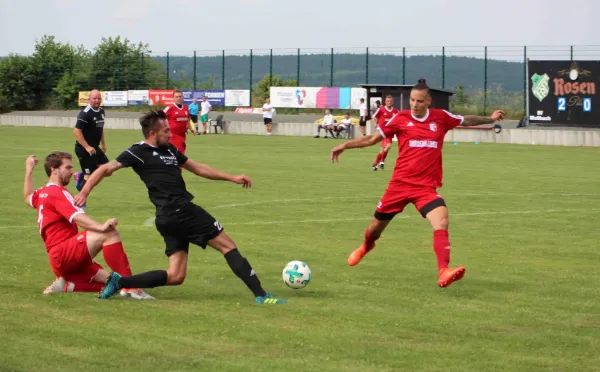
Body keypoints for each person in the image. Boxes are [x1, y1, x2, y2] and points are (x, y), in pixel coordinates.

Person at [74, 109, 287, 304]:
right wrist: (84, 192)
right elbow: (104, 169)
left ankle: (118, 282)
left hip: (168, 218)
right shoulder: (137, 151)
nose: (170, 132)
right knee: (228, 246)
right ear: (152, 133)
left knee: (176, 276)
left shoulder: (170, 150)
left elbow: (197, 168)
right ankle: (262, 295)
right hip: (181, 211)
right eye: (166, 130)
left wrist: (231, 177)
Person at [330, 78, 505, 288]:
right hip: (399, 186)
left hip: (425, 189)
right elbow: (373, 139)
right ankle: (367, 246)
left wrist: (490, 118)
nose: (414, 104)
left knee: (441, 221)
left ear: (428, 101)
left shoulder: (441, 118)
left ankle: (443, 271)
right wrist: (345, 145)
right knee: (375, 228)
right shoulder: (401, 119)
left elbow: (465, 119)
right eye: (412, 100)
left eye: (419, 101)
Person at [24, 151, 153, 299]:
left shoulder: (42, 192)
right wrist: (101, 227)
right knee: (109, 234)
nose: (72, 172)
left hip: (63, 259)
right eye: (68, 167)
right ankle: (131, 288)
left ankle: (67, 286)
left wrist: (29, 171)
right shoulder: (57, 192)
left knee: (114, 282)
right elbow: (78, 217)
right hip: (64, 254)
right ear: (54, 169)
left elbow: (27, 197)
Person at [73, 89, 108, 193]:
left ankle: (80, 178)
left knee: (107, 170)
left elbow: (100, 129)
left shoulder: (101, 111)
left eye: (98, 98)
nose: (97, 100)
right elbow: (76, 131)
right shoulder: (85, 113)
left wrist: (103, 144)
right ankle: (81, 196)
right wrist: (87, 147)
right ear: (89, 99)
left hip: (95, 148)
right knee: (88, 177)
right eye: (94, 98)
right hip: (83, 149)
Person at [371, 95, 399, 171]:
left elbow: (399, 119)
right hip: (382, 132)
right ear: (385, 102)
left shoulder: (396, 111)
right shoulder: (381, 109)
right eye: (388, 101)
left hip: (390, 131)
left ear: (392, 102)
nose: (389, 102)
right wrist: (375, 124)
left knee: (382, 150)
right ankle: (382, 161)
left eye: (390, 101)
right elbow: (373, 117)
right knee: (388, 146)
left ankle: (374, 164)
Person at [163, 90, 196, 155]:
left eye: (180, 96)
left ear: (183, 97)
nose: (178, 98)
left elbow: (187, 121)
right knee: (178, 154)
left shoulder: (186, 108)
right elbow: (160, 117)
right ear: (173, 98)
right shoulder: (169, 108)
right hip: (173, 135)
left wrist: (191, 129)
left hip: (182, 135)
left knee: (179, 153)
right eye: (176, 97)